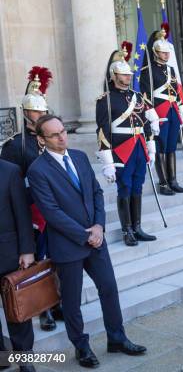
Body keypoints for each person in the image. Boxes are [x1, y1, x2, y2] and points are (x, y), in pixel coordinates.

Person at [27, 115, 147, 368]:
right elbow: (51, 213)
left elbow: (97, 193)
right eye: (54, 134)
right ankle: (81, 347)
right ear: (41, 140)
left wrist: (99, 226)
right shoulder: (38, 170)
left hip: (96, 240)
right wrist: (86, 234)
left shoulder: (80, 157)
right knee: (71, 301)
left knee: (109, 288)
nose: (62, 137)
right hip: (68, 246)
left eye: (63, 131)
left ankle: (117, 338)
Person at [0, 66, 61, 331]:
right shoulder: (15, 145)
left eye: (44, 111)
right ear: (26, 113)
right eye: (36, 112)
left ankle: (56, 301)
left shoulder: (49, 138)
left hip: (53, 209)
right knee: (36, 260)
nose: (41, 116)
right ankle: (43, 308)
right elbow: (10, 186)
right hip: (32, 212)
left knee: (55, 257)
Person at [96, 44, 158, 246]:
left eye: (129, 74)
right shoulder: (105, 100)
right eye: (123, 75)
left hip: (139, 147)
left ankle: (137, 227)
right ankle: (126, 230)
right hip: (121, 150)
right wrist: (107, 161)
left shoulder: (137, 96)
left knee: (138, 187)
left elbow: (144, 122)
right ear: (114, 76)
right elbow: (103, 130)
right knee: (125, 188)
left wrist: (150, 144)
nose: (128, 77)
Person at [140, 25, 183, 196]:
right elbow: (145, 95)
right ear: (155, 52)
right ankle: (163, 183)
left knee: (171, 147)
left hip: (173, 110)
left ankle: (173, 180)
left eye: (168, 52)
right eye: (163, 53)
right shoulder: (148, 71)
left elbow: (175, 91)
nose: (166, 55)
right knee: (160, 147)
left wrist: (181, 108)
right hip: (159, 112)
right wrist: (151, 114)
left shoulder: (171, 69)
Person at [0, 159, 36, 372]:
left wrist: (27, 250)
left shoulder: (10, 171)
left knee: (17, 310)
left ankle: (25, 360)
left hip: (10, 254)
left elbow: (23, 214)